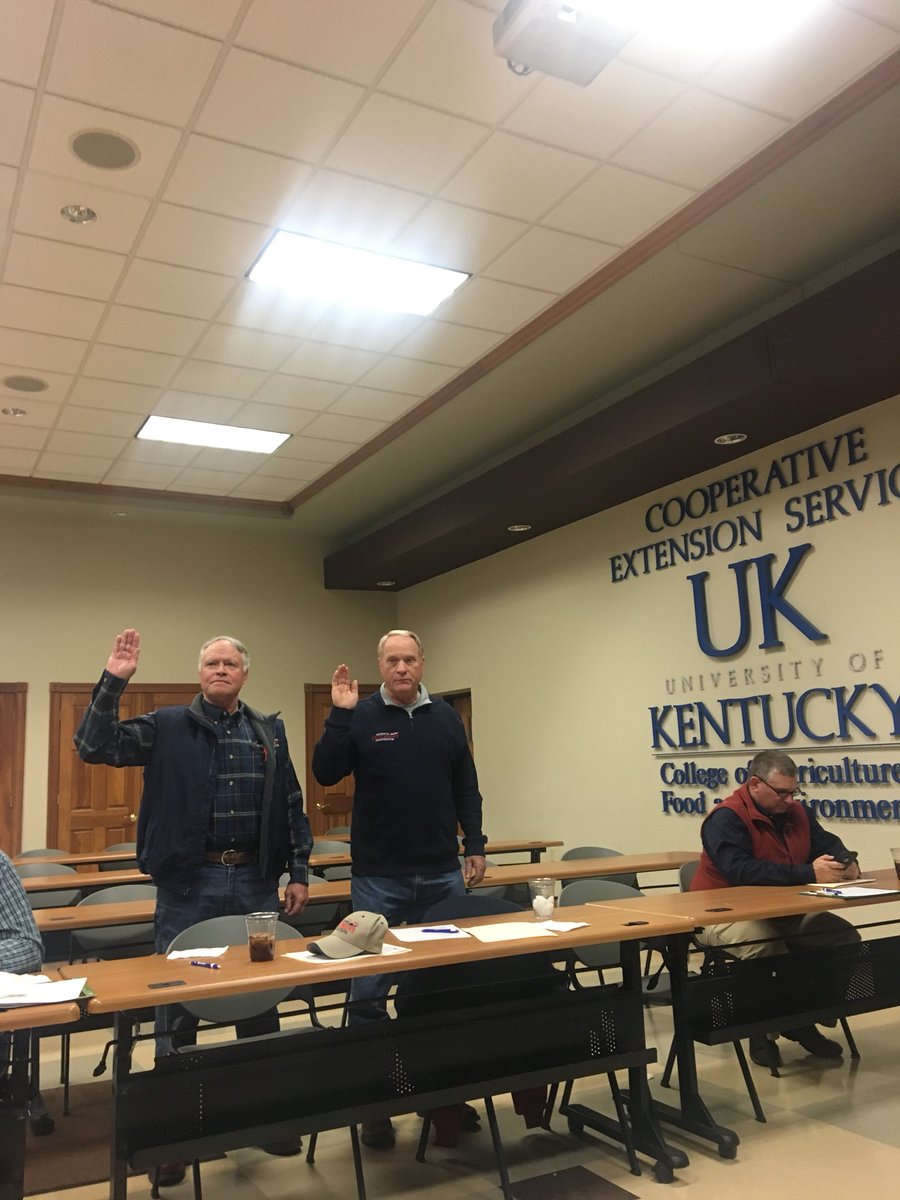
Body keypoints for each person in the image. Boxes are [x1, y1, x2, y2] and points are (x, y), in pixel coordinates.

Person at [74, 629, 312, 1182]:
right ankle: (171, 1135)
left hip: (253, 881)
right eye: (211, 662)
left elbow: (293, 806)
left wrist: (297, 871)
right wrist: (114, 679)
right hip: (190, 881)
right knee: (176, 1003)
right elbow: (93, 745)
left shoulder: (266, 730)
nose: (220, 670)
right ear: (199, 672)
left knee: (260, 999)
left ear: (244, 674)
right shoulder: (166, 726)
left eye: (230, 663)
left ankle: (266, 1116)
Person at [312, 629, 487, 1148]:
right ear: (381, 665)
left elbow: (466, 786)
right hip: (379, 877)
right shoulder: (362, 715)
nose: (402, 668)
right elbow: (325, 772)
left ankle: (443, 1096)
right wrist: (339, 713)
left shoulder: (447, 718)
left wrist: (474, 843)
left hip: (440, 873)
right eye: (393, 660)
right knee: (369, 991)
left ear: (422, 662)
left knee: (439, 990)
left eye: (410, 659)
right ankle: (375, 1103)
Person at [691, 749, 861, 1066]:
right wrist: (808, 873)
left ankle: (802, 1016)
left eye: (793, 792)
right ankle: (764, 1030)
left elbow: (829, 844)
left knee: (842, 937)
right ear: (755, 785)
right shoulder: (725, 819)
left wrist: (847, 862)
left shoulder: (797, 813)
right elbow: (741, 872)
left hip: (782, 909)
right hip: (720, 911)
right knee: (765, 947)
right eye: (781, 793)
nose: (788, 800)